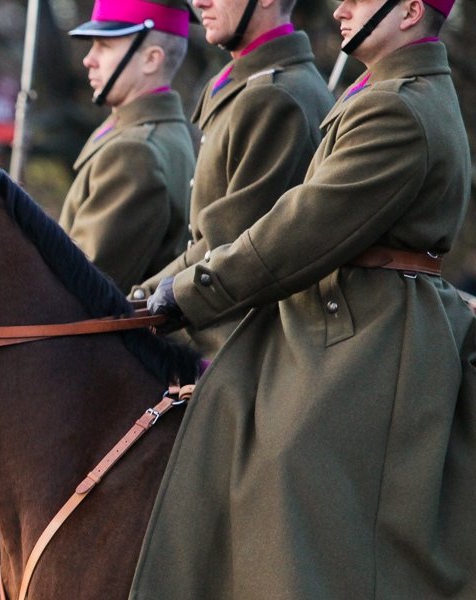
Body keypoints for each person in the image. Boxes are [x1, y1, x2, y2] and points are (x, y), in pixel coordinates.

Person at [136, 0, 475, 596]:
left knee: (286, 462)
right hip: (354, 314)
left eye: (359, 0)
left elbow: (302, 228)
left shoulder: (398, 107)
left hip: (371, 332)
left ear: (411, 11)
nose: (340, 8)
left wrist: (189, 293)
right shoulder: (389, 93)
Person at [131, 0, 332, 356]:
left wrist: (137, 300)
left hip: (240, 341)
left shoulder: (274, 95)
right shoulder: (251, 85)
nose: (199, 3)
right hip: (214, 319)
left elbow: (226, 244)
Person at [58, 0, 196, 292]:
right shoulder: (156, 132)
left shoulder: (134, 153)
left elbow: (77, 286)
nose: (88, 59)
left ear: (151, 59)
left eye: (104, 46)